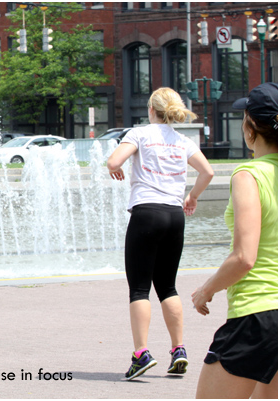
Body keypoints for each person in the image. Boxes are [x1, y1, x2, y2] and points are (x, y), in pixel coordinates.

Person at [107, 87, 214, 380]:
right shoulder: (182, 141)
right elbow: (208, 172)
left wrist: (113, 168)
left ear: (151, 111)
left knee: (140, 288)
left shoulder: (140, 134)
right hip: (174, 216)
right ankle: (178, 350)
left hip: (146, 213)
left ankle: (141, 354)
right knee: (167, 286)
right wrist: (191, 196)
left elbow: (115, 161)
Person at [192, 82, 278, 399]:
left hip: (258, 316)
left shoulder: (249, 175)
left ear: (250, 127)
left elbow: (244, 257)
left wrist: (206, 290)